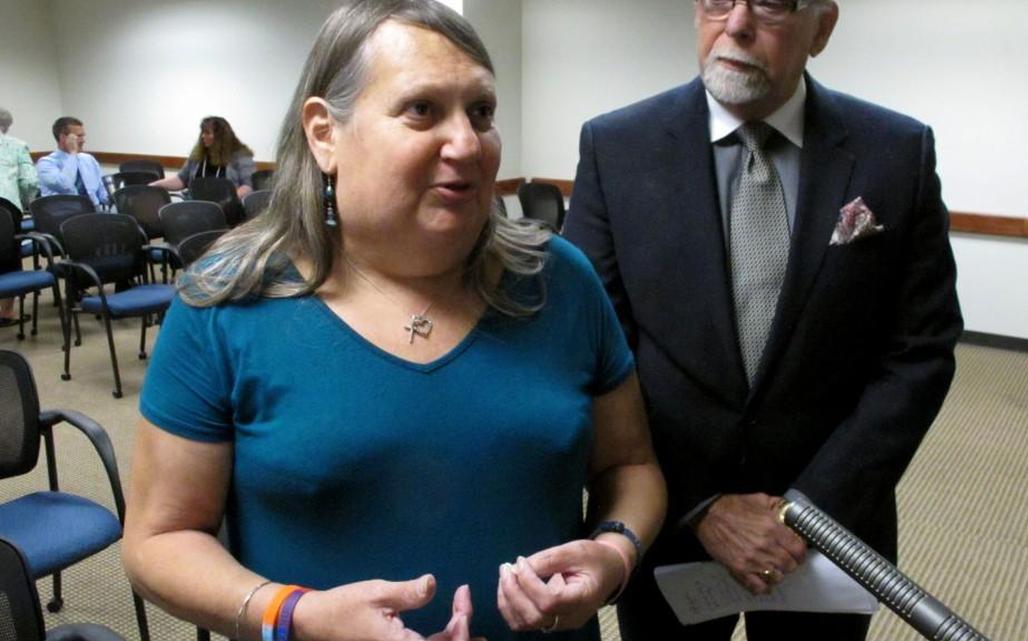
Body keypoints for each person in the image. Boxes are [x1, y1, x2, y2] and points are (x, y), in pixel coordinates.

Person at [122, 2, 666, 641]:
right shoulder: (227, 302)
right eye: (422, 110)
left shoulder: (559, 280)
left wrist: (613, 552)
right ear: (325, 133)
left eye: (482, 112)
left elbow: (630, 467)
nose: (466, 143)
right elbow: (159, 540)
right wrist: (296, 615)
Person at [563, 1, 963, 639]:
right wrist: (702, 506)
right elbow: (595, 346)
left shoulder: (895, 152)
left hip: (828, 530)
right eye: (717, 0)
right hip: (672, 521)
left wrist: (805, 515)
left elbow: (920, 351)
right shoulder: (617, 147)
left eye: (772, 3)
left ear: (822, 28)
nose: (737, 23)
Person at [150, 116, 256, 198]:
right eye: (202, 132)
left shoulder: (241, 156)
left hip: (227, 208)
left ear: (220, 136)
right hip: (196, 204)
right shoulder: (198, 155)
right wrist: (156, 185)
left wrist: (229, 199)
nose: (202, 136)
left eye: (207, 133)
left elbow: (248, 186)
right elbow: (181, 180)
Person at [0, 107, 39, 326]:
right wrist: (25, 203)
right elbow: (29, 182)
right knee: (8, 257)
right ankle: (6, 313)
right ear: (6, 126)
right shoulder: (16, 145)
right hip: (5, 205)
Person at [35, 116, 109, 208]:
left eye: (83, 136)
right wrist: (72, 153)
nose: (83, 140)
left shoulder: (88, 159)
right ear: (63, 137)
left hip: (93, 211)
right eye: (78, 136)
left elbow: (101, 191)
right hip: (63, 215)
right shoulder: (46, 163)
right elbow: (66, 186)